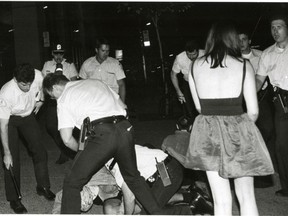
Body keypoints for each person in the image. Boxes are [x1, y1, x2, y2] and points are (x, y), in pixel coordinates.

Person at [42, 73, 193, 214]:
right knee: (133, 178)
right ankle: (157, 213)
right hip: (124, 128)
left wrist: (83, 154)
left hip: (102, 134)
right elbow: (123, 107)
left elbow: (67, 139)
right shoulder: (95, 82)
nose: (54, 99)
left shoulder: (64, 97)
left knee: (72, 182)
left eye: (52, 96)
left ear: (55, 88)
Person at [166, 22, 275, 216]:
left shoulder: (194, 67)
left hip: (208, 132)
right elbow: (253, 112)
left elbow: (199, 107)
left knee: (221, 200)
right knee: (246, 196)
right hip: (238, 130)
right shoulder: (243, 65)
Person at [52, 144, 213, 215]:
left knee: (148, 212)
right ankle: (191, 195)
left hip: (167, 172)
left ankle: (192, 207)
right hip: (159, 172)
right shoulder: (110, 155)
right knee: (144, 202)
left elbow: (129, 194)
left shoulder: (116, 164)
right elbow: (62, 197)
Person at [0, 63, 55, 214]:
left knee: (40, 150)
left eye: (30, 84)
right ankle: (14, 199)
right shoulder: (6, 93)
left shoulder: (37, 75)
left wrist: (41, 100)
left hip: (28, 116)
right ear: (15, 79)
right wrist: (6, 152)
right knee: (12, 160)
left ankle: (43, 186)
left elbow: (44, 86)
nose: (27, 87)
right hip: (10, 120)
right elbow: (2, 126)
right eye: (24, 84)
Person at [256, 12, 288, 197]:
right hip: (280, 102)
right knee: (281, 145)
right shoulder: (267, 54)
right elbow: (259, 81)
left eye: (279, 27)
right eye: (272, 28)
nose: (275, 31)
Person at [238, 29, 275, 188]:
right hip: (242, 101)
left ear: (249, 41)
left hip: (262, 98)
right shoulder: (234, 59)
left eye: (244, 39)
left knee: (267, 129)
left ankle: (262, 167)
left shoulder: (262, 55)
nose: (241, 43)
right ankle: (251, 171)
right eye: (238, 40)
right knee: (246, 135)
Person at [40, 43, 78, 164]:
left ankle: (68, 150)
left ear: (63, 54)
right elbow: (42, 82)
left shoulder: (69, 65)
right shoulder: (47, 65)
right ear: (52, 54)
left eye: (60, 53)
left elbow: (74, 83)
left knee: (68, 126)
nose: (58, 56)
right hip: (52, 101)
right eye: (56, 53)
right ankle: (64, 148)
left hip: (66, 101)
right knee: (51, 126)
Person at [79, 38, 126, 104]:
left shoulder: (115, 64)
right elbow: (82, 85)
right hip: (93, 101)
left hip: (112, 100)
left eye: (107, 51)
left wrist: (122, 104)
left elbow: (121, 85)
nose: (106, 53)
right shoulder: (87, 64)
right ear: (96, 50)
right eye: (103, 51)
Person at [170, 40, 204, 122]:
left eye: (194, 54)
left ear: (198, 51)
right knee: (189, 109)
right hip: (188, 83)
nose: (191, 57)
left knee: (203, 109)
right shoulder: (180, 58)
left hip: (203, 84)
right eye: (189, 54)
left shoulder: (206, 55)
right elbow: (173, 75)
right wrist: (178, 91)